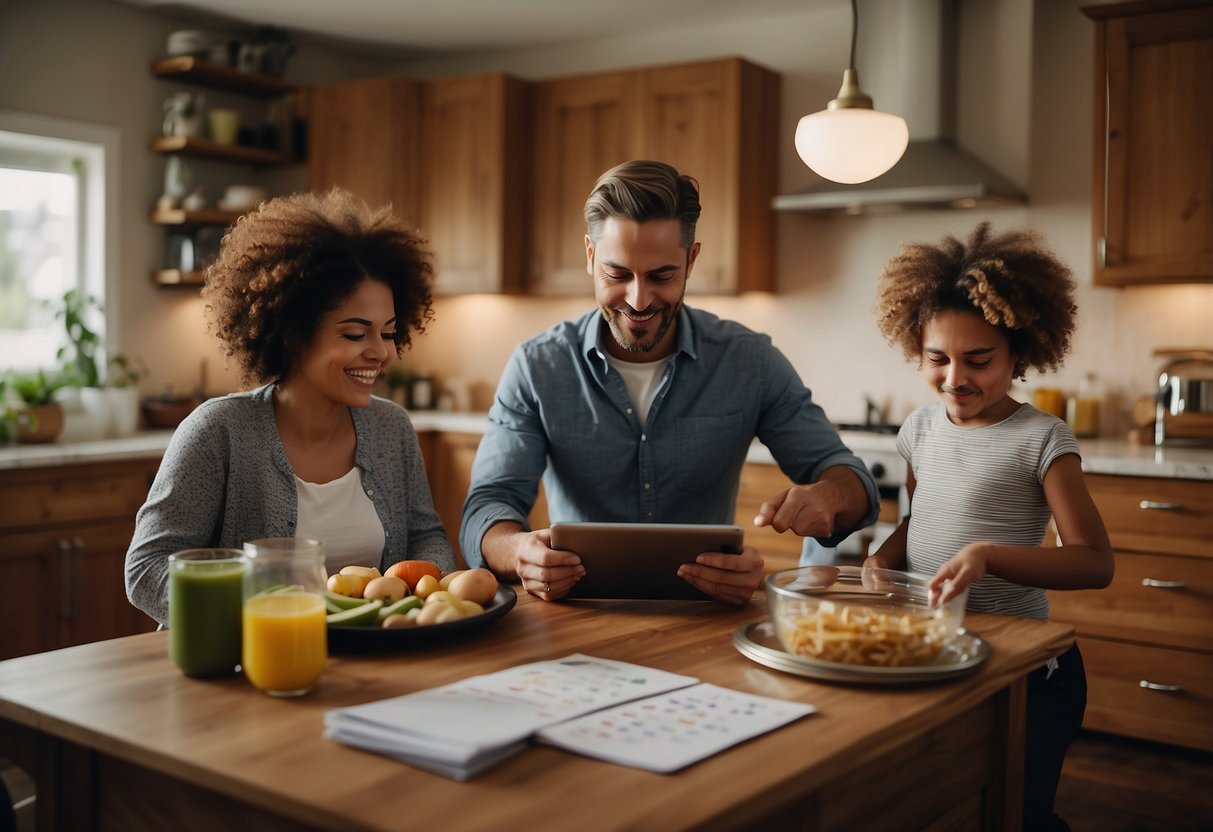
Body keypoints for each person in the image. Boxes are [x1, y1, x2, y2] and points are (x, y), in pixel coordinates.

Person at [459, 159, 879, 604]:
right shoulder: (537, 367)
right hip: (577, 620)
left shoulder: (749, 361)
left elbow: (851, 480)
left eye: (661, 275)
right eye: (617, 274)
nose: (638, 300)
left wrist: (828, 496)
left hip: (706, 620)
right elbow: (487, 506)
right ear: (589, 256)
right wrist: (518, 552)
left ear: (691, 260)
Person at [867, 222, 1114, 832]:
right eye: (937, 359)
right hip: (941, 654)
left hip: (1024, 672)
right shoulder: (920, 431)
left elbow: (1093, 562)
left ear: (1020, 353)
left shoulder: (1042, 439)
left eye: (978, 360)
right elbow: (918, 521)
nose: (956, 378)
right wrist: (881, 557)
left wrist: (986, 556)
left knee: (1017, 815)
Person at [126, 188, 456, 626]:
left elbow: (426, 538)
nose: (381, 352)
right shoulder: (219, 432)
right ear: (294, 334)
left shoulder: (391, 427)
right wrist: (261, 613)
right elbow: (147, 568)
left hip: (374, 671)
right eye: (355, 335)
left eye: (389, 332)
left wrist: (420, 594)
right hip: (242, 670)